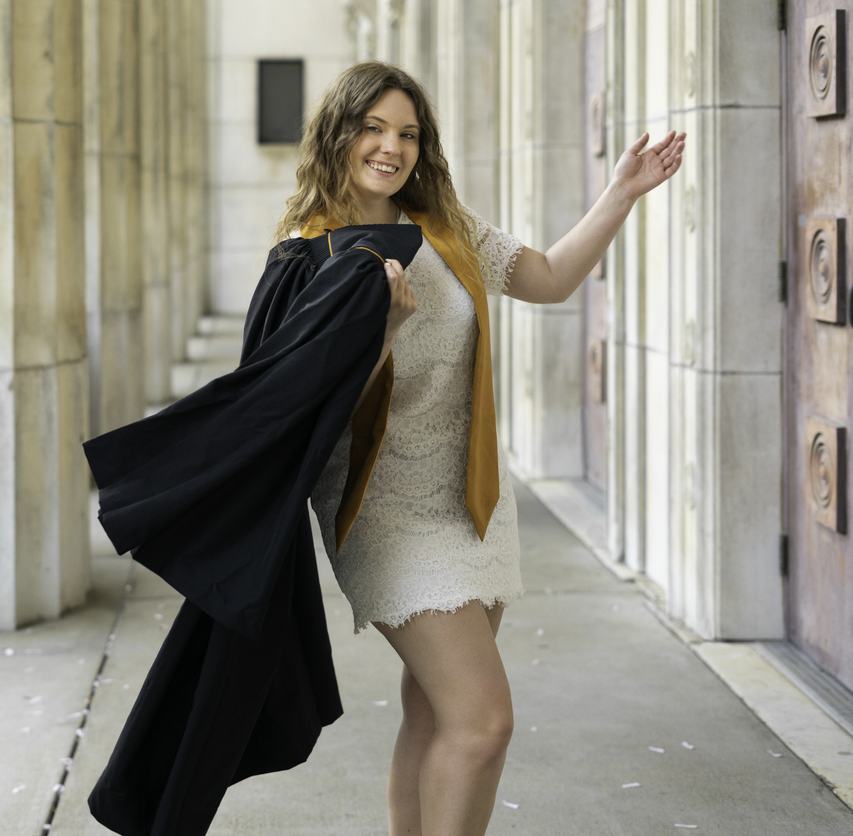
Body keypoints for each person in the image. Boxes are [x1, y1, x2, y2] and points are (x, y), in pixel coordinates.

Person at [282, 61, 685, 836]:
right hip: (381, 508)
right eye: (373, 128)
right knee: (483, 722)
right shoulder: (310, 254)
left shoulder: (445, 226)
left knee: (435, 713)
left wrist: (622, 192)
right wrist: (384, 331)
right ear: (339, 132)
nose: (390, 147)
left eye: (406, 132)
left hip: (471, 499)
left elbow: (548, 277)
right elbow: (308, 405)